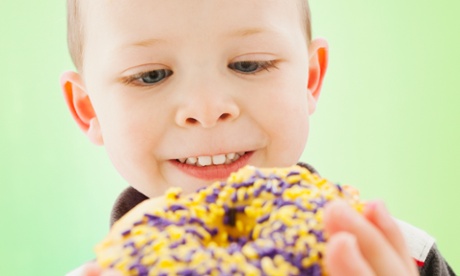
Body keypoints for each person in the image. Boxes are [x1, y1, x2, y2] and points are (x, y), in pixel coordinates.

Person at [61, 0, 455, 275]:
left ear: (310, 79)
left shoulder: (399, 259)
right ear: (89, 107)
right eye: (151, 75)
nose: (207, 107)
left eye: (249, 64)